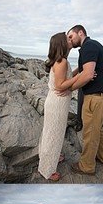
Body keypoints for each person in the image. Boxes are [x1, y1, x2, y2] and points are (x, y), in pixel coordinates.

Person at [65, 25, 103, 175]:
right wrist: (68, 77)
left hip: (97, 98)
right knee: (98, 130)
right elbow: (82, 70)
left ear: (80, 33)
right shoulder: (91, 46)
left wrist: (68, 89)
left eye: (71, 36)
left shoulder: (89, 47)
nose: (69, 40)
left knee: (90, 134)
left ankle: (86, 166)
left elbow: (87, 75)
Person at [38, 33, 81, 181]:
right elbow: (60, 85)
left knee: (50, 132)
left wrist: (77, 72)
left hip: (55, 101)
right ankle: (47, 170)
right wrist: (80, 77)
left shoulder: (60, 61)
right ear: (61, 43)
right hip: (57, 103)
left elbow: (65, 78)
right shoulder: (61, 62)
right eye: (67, 38)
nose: (71, 40)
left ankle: (50, 157)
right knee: (54, 134)